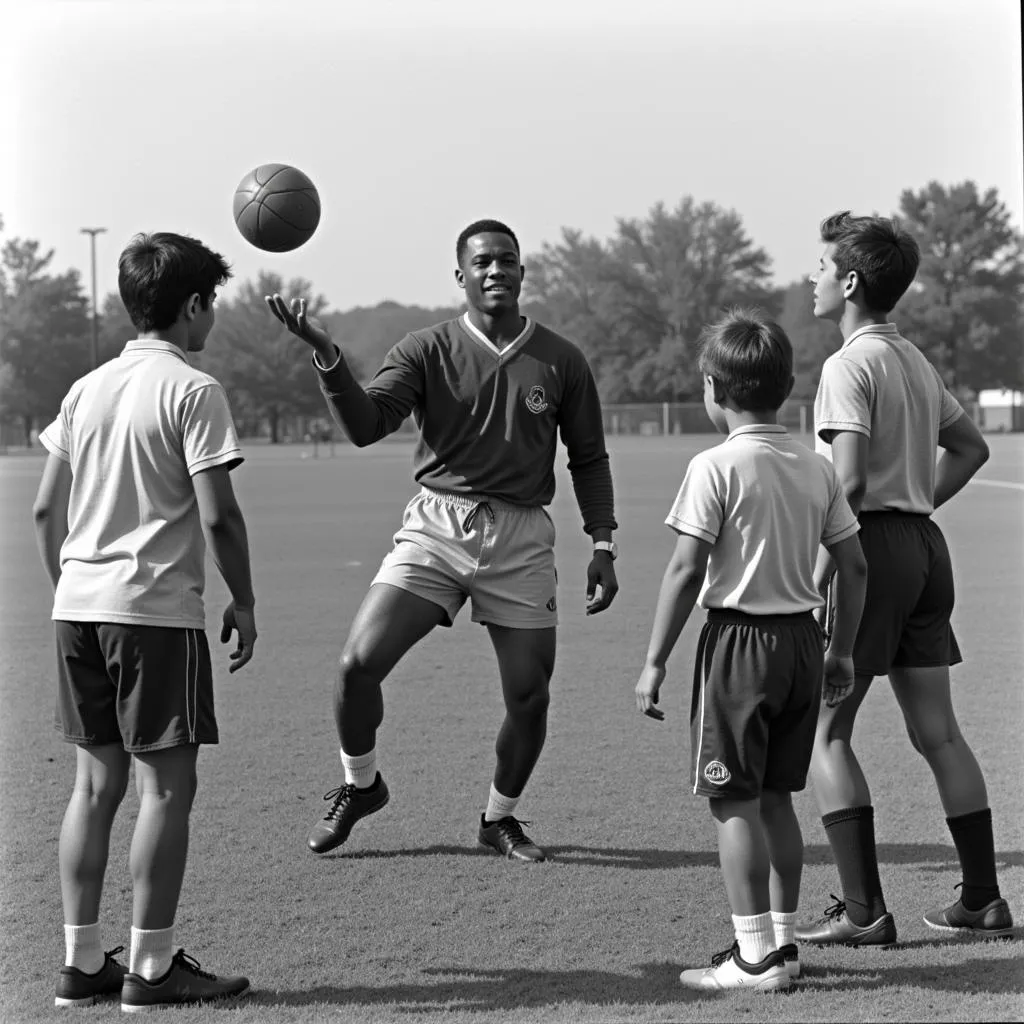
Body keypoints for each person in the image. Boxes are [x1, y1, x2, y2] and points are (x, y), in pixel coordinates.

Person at [266, 219, 619, 863]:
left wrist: (603, 543)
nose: (495, 271)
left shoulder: (561, 359)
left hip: (520, 538)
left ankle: (499, 818)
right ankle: (360, 785)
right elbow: (366, 424)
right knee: (356, 667)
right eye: (482, 262)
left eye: (507, 261)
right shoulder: (425, 348)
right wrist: (326, 355)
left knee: (529, 695)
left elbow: (589, 458)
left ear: (522, 272)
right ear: (460, 275)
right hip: (436, 526)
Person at [34, 232, 256, 1011]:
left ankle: (80, 964)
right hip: (153, 616)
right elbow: (219, 515)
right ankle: (153, 970)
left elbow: (42, 510)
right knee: (167, 789)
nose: (214, 319)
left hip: (77, 610)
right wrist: (247, 600)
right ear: (192, 305)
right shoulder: (193, 390)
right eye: (213, 304)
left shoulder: (84, 388)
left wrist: (73, 587)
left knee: (94, 785)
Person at [797, 211, 1013, 946]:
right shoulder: (914, 360)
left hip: (871, 551)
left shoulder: (847, 365)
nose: (812, 278)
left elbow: (849, 481)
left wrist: (821, 566)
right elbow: (971, 447)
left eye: (821, 266)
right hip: (925, 547)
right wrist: (917, 502)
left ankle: (863, 912)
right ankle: (983, 900)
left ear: (850, 281)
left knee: (826, 732)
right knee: (940, 734)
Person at [634, 310, 867, 991]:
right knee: (775, 798)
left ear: (711, 388)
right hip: (803, 640)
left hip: (739, 644)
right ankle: (785, 945)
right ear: (789, 386)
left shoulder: (713, 466)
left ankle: (753, 956)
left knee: (731, 799)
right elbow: (852, 568)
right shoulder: (815, 465)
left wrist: (654, 661)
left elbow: (684, 571)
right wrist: (842, 652)